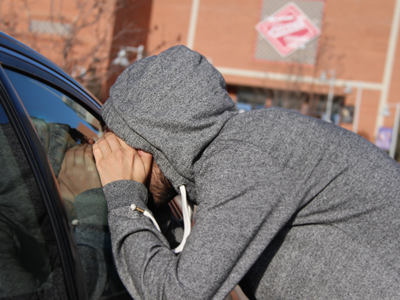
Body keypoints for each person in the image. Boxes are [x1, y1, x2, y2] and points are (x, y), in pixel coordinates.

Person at [92, 45, 400, 300]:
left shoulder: (247, 157)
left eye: (116, 150)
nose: (113, 163)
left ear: (151, 143)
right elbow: (197, 262)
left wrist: (124, 199)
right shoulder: (233, 158)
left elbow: (178, 294)